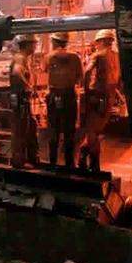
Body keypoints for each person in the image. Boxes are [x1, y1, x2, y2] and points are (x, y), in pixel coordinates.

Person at [79, 29, 121, 172]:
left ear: (102, 41)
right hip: (109, 99)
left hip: (96, 97)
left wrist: (86, 90)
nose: (96, 45)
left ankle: (94, 165)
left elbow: (87, 72)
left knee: (91, 131)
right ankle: (82, 156)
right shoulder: (117, 56)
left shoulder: (98, 55)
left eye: (97, 42)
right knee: (95, 130)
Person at [45, 32, 83, 170]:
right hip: (69, 95)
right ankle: (69, 163)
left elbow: (44, 71)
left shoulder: (49, 57)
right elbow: (80, 77)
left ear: (54, 42)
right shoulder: (75, 57)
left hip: (54, 95)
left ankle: (52, 163)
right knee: (69, 131)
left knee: (53, 130)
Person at [9, 34, 39, 167]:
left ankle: (25, 159)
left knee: (28, 126)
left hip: (20, 99)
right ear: (28, 44)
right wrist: (29, 87)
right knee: (21, 129)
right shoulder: (20, 58)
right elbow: (16, 72)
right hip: (21, 99)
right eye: (34, 44)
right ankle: (19, 161)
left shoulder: (22, 58)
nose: (35, 46)